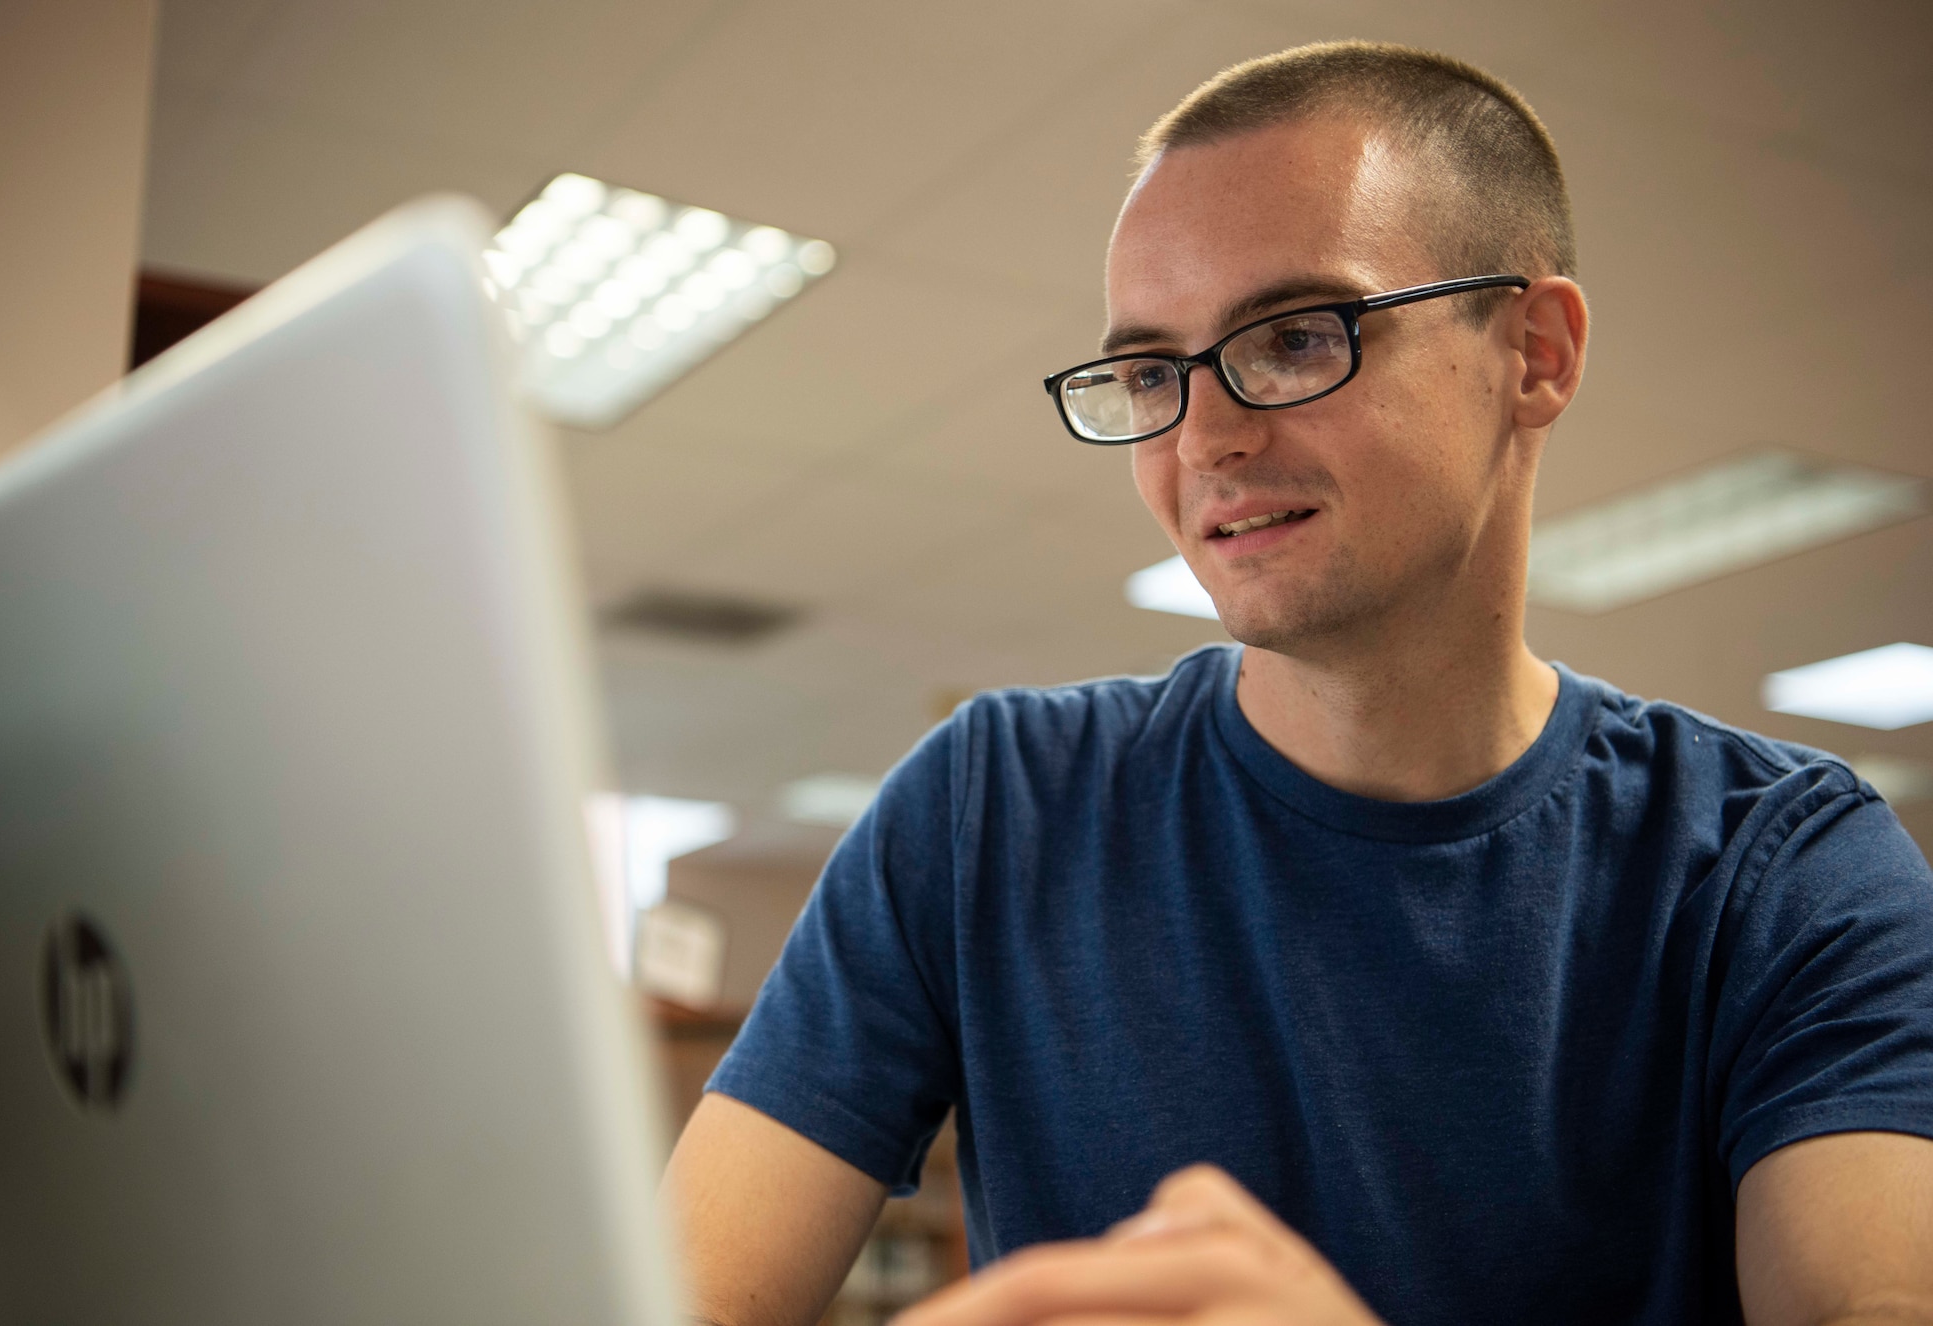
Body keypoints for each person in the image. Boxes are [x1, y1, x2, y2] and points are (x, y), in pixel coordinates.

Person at [663, 40, 1933, 1326]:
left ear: (1534, 353)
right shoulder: (989, 805)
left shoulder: (1782, 870)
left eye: (1292, 338)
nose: (1205, 439)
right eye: (1151, 373)